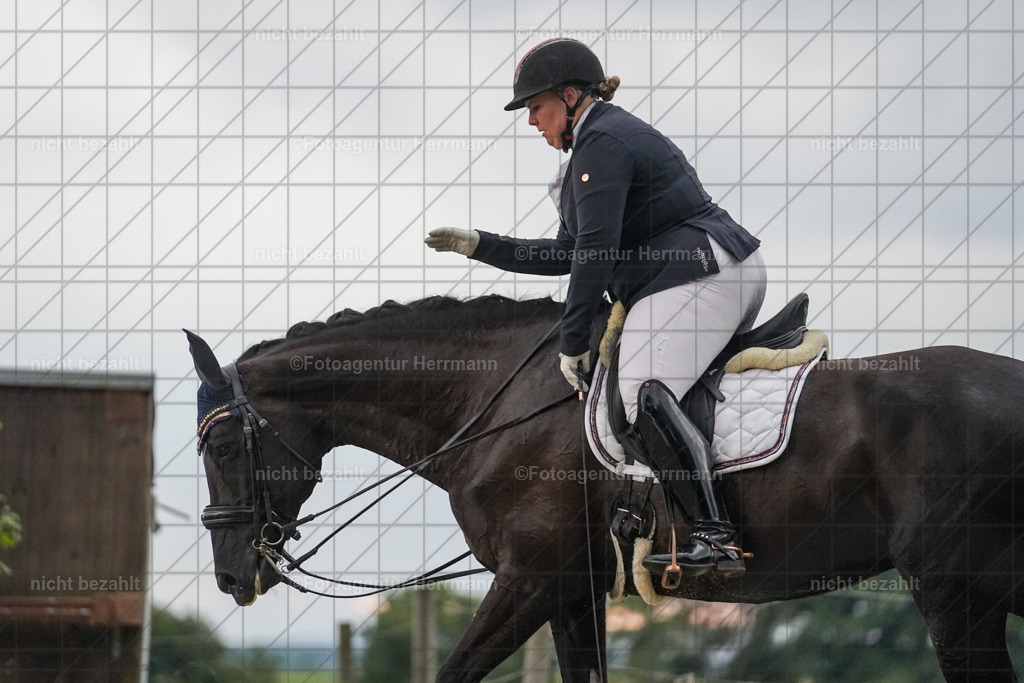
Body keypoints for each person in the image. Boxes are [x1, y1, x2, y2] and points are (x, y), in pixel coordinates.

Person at [425, 38, 766, 577]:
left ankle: (715, 537)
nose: (531, 121)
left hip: (701, 272)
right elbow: (568, 253)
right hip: (694, 274)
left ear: (568, 96)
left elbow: (596, 252)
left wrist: (572, 340)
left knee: (641, 391)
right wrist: (480, 245)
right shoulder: (591, 148)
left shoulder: (602, 142)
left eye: (535, 107)